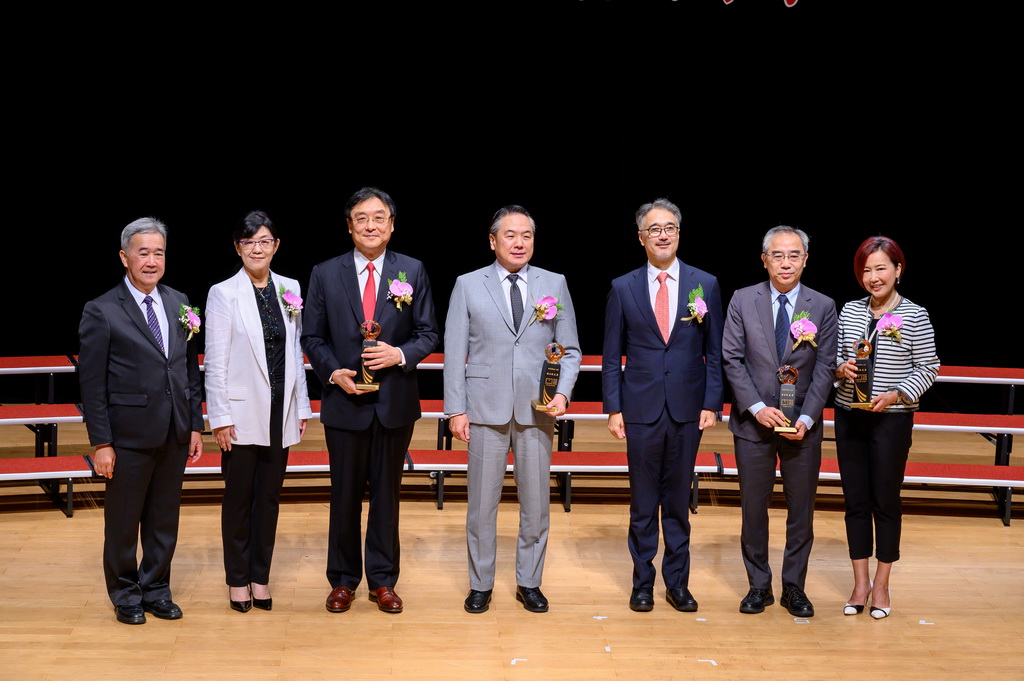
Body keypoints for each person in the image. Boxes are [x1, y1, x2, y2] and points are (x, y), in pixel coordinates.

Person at [301, 187, 438, 614]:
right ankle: (343, 580)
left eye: (379, 217)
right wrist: (332, 372)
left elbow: (428, 333)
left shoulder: (412, 270)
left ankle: (383, 580)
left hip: (394, 402)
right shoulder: (325, 272)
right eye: (361, 218)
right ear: (349, 226)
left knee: (386, 495)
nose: (370, 225)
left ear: (392, 225)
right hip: (345, 401)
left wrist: (399, 354)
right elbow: (312, 336)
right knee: (343, 494)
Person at [444, 205, 581, 614]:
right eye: (510, 235)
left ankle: (529, 582)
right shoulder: (468, 284)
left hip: (537, 410)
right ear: (493, 241)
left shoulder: (554, 283)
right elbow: (454, 352)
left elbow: (570, 350)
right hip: (484, 408)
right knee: (481, 506)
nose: (519, 243)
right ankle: (480, 583)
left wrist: (563, 393)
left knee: (536, 504)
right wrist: (455, 410)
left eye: (527, 235)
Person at [78, 217, 204, 625]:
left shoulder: (179, 301)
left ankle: (156, 590)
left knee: (163, 520)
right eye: (143, 252)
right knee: (123, 521)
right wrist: (102, 443)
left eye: (159, 253)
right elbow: (91, 384)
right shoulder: (101, 310)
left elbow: (188, 370)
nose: (152, 261)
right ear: (124, 257)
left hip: (175, 431)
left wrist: (195, 424)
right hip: (127, 436)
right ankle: (125, 593)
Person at [601, 198, 724, 613]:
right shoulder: (623, 287)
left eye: (669, 227)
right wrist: (614, 408)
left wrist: (712, 402)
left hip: (688, 408)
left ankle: (678, 584)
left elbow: (715, 351)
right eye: (654, 229)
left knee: (677, 502)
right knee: (642, 502)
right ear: (641, 237)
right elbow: (611, 354)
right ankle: (642, 582)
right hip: (640, 409)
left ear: (679, 233)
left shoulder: (705, 284)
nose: (663, 234)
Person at [721, 225, 837, 618]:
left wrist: (807, 416)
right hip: (753, 424)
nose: (785, 263)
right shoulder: (742, 299)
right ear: (764, 260)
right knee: (754, 509)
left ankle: (794, 587)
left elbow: (825, 367)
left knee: (801, 511)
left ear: (805, 259)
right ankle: (758, 585)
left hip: (802, 425)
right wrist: (756, 407)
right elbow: (731, 359)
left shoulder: (823, 305)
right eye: (777, 255)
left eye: (793, 255)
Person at [204, 210, 313, 613]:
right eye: (249, 242)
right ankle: (237, 580)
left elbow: (295, 352)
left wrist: (301, 404)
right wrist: (219, 417)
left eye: (264, 241)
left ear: (276, 246)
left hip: (280, 409)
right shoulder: (223, 293)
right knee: (239, 500)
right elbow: (215, 360)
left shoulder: (289, 288)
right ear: (238, 247)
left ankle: (260, 577)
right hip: (239, 413)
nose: (257, 248)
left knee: (268, 499)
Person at [833, 235, 938, 619]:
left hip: (891, 420)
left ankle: (881, 584)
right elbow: (834, 359)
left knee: (886, 501)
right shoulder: (849, 311)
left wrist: (896, 394)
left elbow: (929, 367)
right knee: (855, 501)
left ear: (898, 270)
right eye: (866, 270)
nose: (873, 277)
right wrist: (839, 370)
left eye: (881, 268)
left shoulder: (915, 315)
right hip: (849, 415)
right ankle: (860, 583)